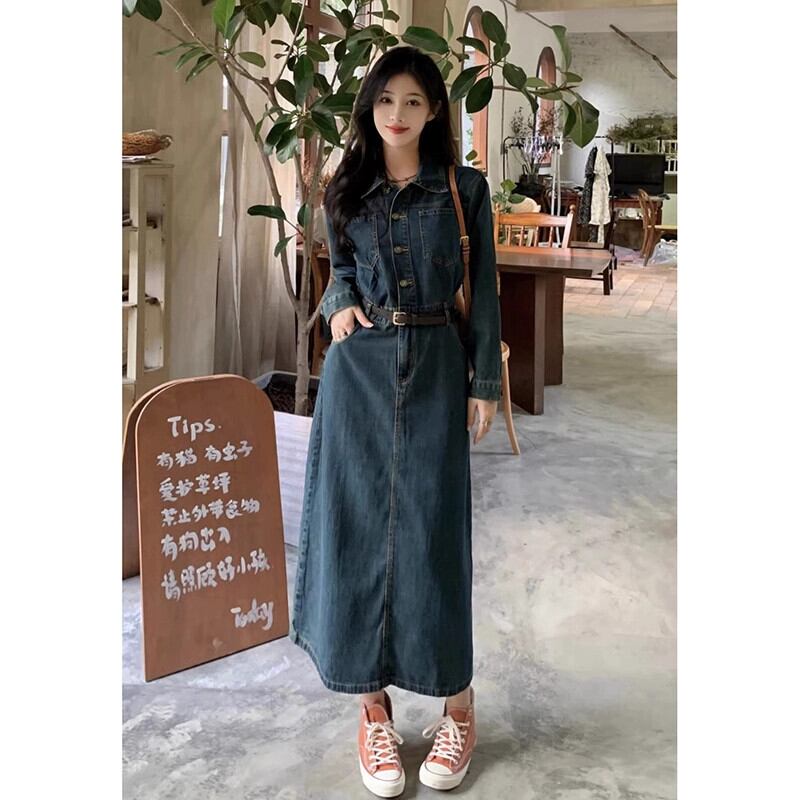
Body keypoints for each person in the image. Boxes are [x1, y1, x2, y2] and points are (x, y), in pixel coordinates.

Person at [288, 45, 502, 797]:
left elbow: (485, 286)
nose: (397, 114)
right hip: (361, 373)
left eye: (412, 101)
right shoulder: (346, 186)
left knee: (433, 534)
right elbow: (340, 266)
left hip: (438, 363)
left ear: (435, 109)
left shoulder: (464, 189)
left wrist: (485, 382)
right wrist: (337, 302)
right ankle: (372, 710)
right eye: (385, 100)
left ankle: (458, 705)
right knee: (354, 534)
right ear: (369, 108)